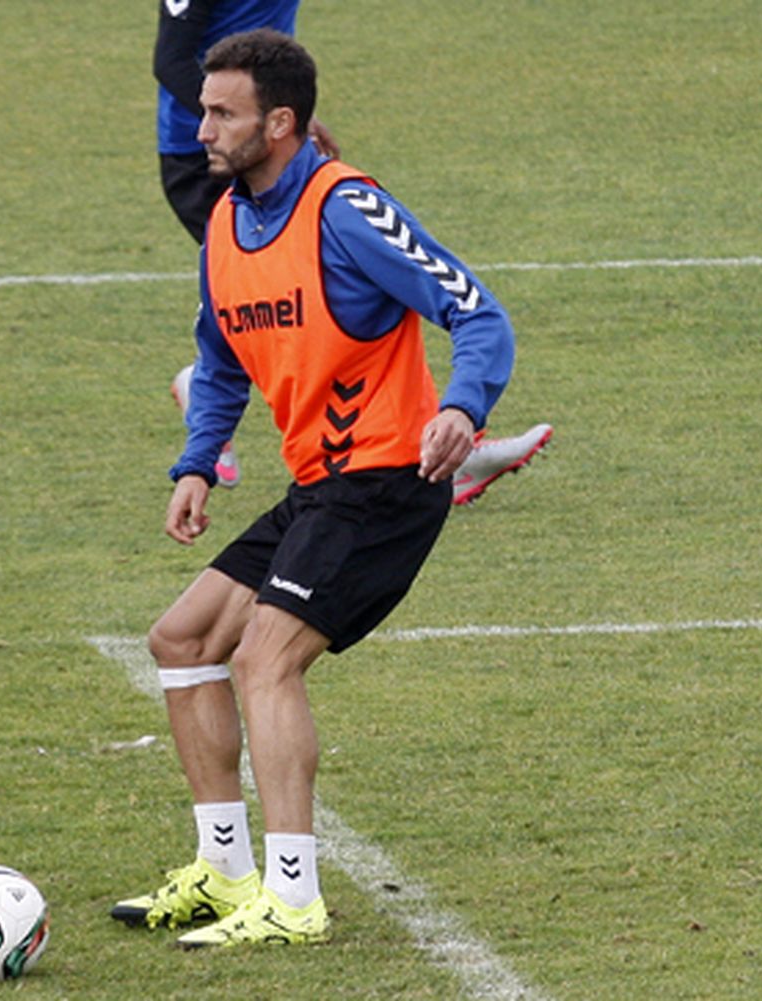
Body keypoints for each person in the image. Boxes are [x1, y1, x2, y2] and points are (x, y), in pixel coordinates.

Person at [111, 29, 515, 947]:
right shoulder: (225, 220)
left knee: (263, 658)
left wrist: (461, 406)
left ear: (279, 123)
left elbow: (476, 309)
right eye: (202, 107)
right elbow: (218, 359)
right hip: (319, 485)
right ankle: (223, 871)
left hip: (384, 480)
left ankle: (293, 897)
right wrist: (195, 462)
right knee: (182, 639)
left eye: (221, 112)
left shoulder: (347, 209)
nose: (200, 125)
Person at [154, 0, 550, 498]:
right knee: (275, 304)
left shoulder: (340, 198)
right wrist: (241, 120)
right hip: (212, 160)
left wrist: (287, 118)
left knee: (345, 297)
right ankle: (429, 450)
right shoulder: (221, 152)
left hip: (273, 132)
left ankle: (435, 441)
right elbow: (170, 60)